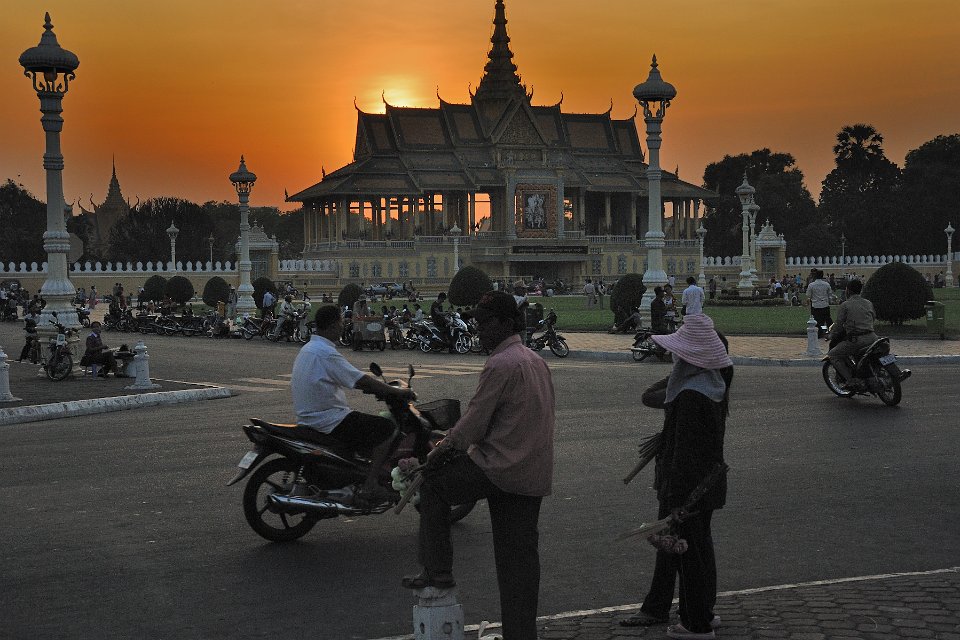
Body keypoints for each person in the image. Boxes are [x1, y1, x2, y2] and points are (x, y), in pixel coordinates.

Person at [402, 291, 555, 640]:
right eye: (477, 323)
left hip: (500, 467)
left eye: (485, 323)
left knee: (434, 485)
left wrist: (439, 451)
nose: (479, 330)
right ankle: (522, 635)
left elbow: (474, 422)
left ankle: (437, 571)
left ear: (505, 323)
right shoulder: (535, 360)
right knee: (518, 562)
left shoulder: (501, 364)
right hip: (532, 472)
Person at [619, 314, 732, 639]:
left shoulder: (689, 394)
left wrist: (676, 501)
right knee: (698, 550)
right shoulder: (712, 385)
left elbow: (684, 454)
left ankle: (695, 624)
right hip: (707, 483)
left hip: (688, 488)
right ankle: (702, 614)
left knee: (688, 555)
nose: (674, 357)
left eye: (680, 353)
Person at [291, 305, 415, 503]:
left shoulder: (309, 349)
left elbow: (347, 379)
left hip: (311, 416)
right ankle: (370, 485)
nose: (343, 326)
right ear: (333, 326)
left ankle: (356, 475)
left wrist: (371, 388)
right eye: (341, 322)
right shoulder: (325, 352)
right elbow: (360, 379)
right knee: (387, 428)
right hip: (329, 419)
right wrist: (397, 392)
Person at [827, 279, 877, 391]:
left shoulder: (845, 305)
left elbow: (839, 325)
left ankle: (851, 381)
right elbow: (873, 317)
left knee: (833, 355)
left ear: (848, 291)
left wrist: (831, 335)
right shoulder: (868, 303)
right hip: (873, 337)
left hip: (857, 340)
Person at [806, 270, 833, 338]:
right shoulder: (826, 284)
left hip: (815, 306)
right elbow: (830, 295)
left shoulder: (811, 285)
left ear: (815, 276)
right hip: (825, 305)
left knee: (818, 322)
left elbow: (808, 296)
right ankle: (830, 332)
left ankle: (821, 333)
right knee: (827, 320)